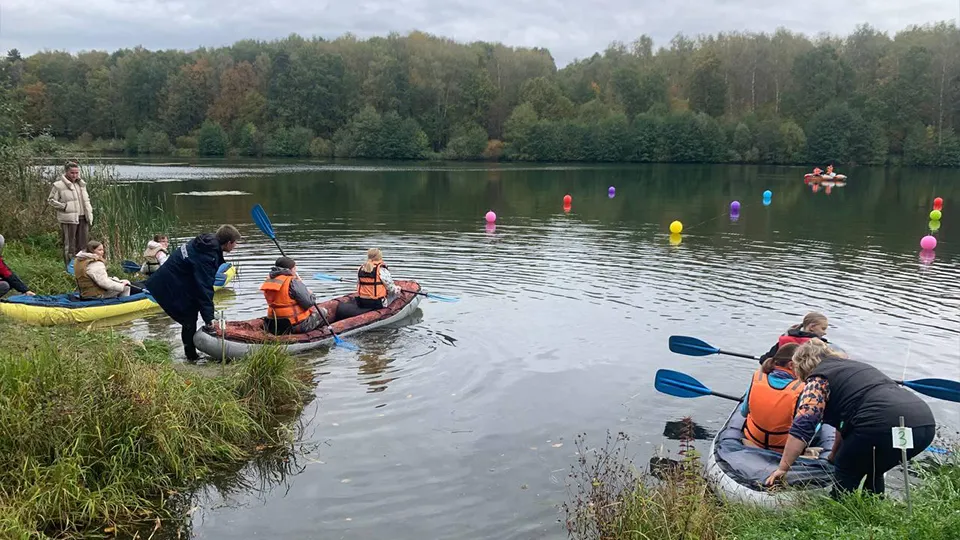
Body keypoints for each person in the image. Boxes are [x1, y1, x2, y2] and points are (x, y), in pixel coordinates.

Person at [764, 339, 936, 495]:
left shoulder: (818, 379)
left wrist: (783, 468)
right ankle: (872, 516)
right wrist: (833, 455)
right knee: (872, 470)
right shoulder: (856, 367)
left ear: (801, 365)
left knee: (846, 470)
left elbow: (803, 425)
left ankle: (839, 518)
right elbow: (843, 425)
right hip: (924, 424)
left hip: (880, 423)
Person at [145, 225, 241, 361]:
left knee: (191, 313)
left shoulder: (206, 243)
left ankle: (190, 355)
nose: (235, 246)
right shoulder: (208, 256)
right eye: (235, 243)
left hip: (175, 280)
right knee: (189, 317)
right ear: (228, 242)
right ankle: (191, 357)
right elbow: (204, 288)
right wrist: (209, 320)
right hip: (168, 284)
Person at [740, 342, 803, 451]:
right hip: (782, 448)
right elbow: (805, 430)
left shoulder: (758, 377)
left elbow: (743, 412)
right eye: (803, 363)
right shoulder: (801, 389)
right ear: (791, 365)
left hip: (753, 438)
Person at [261, 257, 329, 335]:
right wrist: (310, 293)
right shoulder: (293, 282)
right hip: (294, 325)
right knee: (323, 311)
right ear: (291, 269)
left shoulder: (270, 280)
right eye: (295, 268)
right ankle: (319, 333)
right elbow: (309, 303)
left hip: (273, 323)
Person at [335, 248, 402, 320]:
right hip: (377, 303)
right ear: (380, 257)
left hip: (362, 302)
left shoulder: (360, 269)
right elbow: (390, 288)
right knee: (396, 292)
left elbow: (358, 284)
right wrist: (397, 289)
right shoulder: (382, 270)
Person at [48, 162, 94, 265]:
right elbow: (51, 200)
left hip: (83, 218)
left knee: (82, 245)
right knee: (69, 245)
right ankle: (69, 266)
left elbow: (86, 200)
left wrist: (89, 212)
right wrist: (64, 207)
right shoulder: (59, 185)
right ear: (66, 172)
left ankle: (80, 266)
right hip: (69, 218)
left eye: (77, 173)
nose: (75, 175)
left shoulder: (82, 184)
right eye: (72, 173)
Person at [758, 312, 829, 363]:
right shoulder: (816, 346)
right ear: (812, 327)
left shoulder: (788, 337)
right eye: (823, 328)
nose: (825, 332)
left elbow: (764, 359)